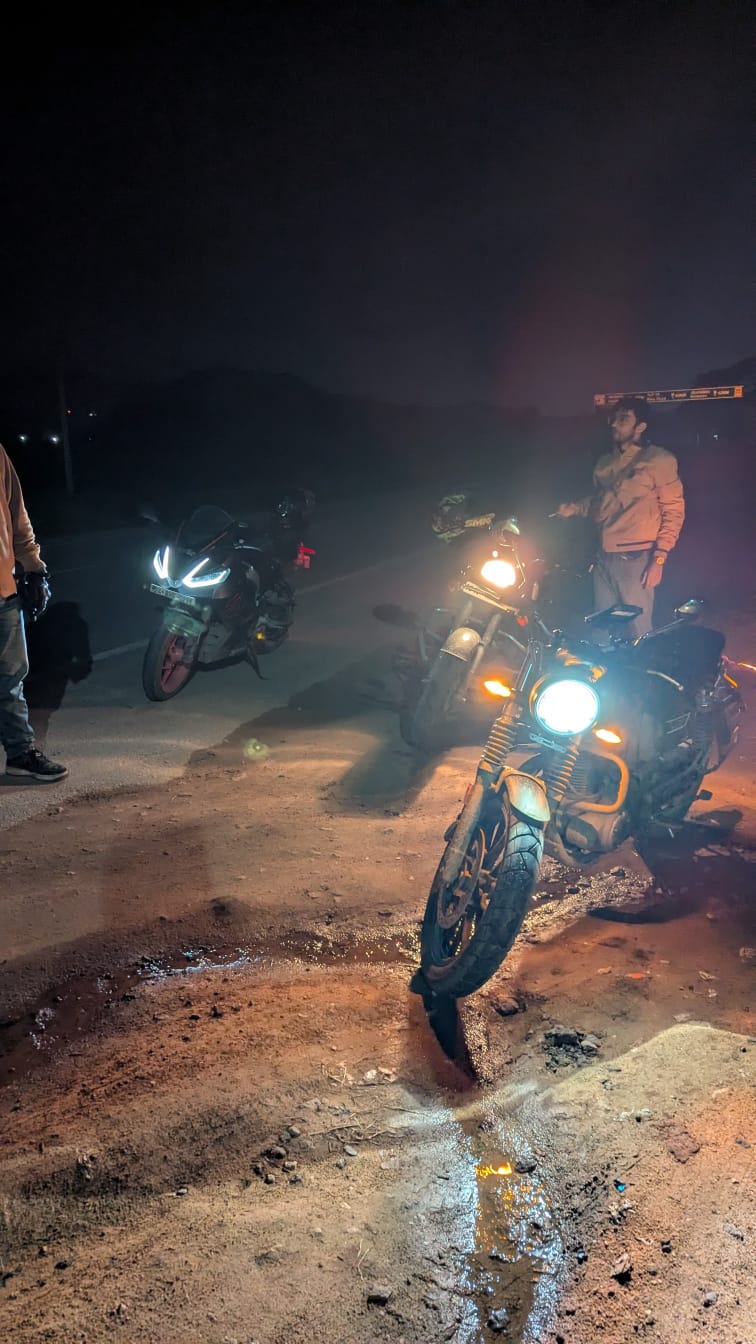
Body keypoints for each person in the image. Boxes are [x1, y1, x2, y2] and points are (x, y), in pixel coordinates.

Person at [558, 397, 685, 637]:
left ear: (641, 427)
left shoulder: (659, 460)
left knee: (638, 631)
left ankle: (642, 662)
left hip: (636, 560)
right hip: (603, 558)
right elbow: (599, 502)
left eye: (623, 419)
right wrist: (574, 508)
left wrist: (659, 559)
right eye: (614, 419)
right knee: (601, 630)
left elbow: (674, 510)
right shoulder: (605, 463)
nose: (614, 424)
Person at [0, 442, 67, 780]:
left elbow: (16, 514)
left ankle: (20, 753)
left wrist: (34, 568)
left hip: (3, 589)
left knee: (11, 678)